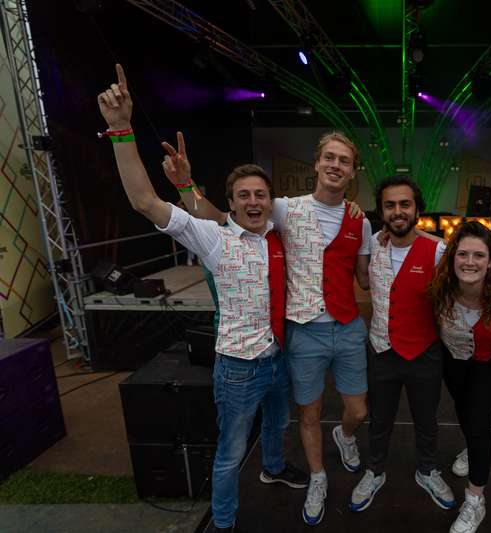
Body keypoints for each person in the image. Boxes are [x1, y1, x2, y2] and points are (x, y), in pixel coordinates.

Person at [97, 65, 307, 533]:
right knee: (231, 451)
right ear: (231, 204)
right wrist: (121, 130)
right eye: (243, 196)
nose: (253, 202)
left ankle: (273, 467)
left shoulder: (276, 235)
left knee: (277, 425)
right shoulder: (216, 239)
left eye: (260, 195)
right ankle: (224, 523)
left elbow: (207, 205)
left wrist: (187, 184)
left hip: (278, 357)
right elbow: (144, 202)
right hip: (237, 368)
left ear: (269, 201)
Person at [161, 131, 373, 526]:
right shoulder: (284, 208)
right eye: (329, 157)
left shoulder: (359, 220)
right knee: (307, 413)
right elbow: (218, 216)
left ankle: (342, 437)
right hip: (302, 329)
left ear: (352, 170)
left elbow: (364, 276)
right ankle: (317, 478)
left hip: (346, 326)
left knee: (358, 410)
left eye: (344, 160)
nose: (335, 165)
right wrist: (185, 185)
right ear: (316, 163)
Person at [348, 175, 457, 513]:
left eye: (405, 204)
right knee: (379, 419)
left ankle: (427, 470)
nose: (398, 211)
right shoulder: (373, 244)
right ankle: (374, 471)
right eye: (390, 205)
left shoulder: (438, 250)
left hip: (424, 351)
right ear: (381, 212)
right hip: (381, 349)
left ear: (417, 209)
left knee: (427, 419)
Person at [429, 221, 491, 533]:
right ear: (452, 256)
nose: (470, 262)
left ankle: (475, 499)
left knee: (479, 422)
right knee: (464, 412)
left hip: (488, 364)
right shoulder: (440, 281)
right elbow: (419, 238)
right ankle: (471, 446)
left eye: (479, 255)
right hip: (452, 360)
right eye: (463, 254)